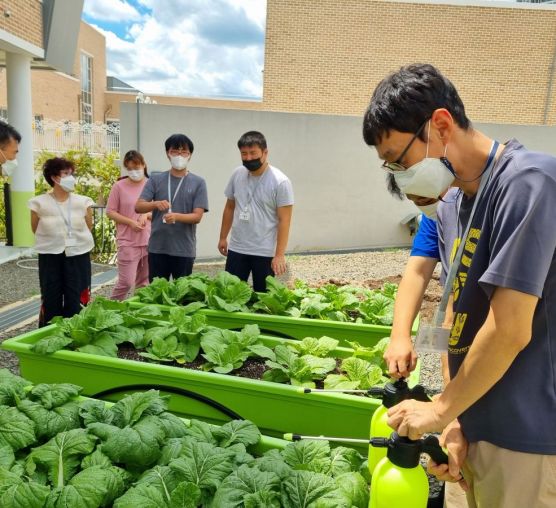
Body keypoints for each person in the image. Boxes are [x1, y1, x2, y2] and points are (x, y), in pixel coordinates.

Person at [363, 63, 556, 507]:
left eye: (399, 159)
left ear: (441, 125)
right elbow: (458, 311)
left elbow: (510, 329)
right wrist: (454, 417)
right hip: (475, 415)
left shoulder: (527, 185)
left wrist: (438, 410)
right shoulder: (459, 201)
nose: (399, 174)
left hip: (524, 435)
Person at [218, 131, 294, 292]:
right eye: (244, 154)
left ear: (265, 152)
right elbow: (229, 207)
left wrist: (279, 255)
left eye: (253, 153)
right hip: (237, 248)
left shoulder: (280, 182)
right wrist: (223, 237)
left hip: (265, 251)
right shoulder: (237, 174)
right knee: (230, 294)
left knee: (263, 297)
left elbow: (284, 220)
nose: (248, 158)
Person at [28, 157, 94, 327]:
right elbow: (35, 228)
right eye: (66, 173)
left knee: (77, 294)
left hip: (78, 254)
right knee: (51, 295)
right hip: (50, 255)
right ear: (54, 177)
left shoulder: (83, 202)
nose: (70, 177)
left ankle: (77, 332)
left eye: (71, 173)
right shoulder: (39, 203)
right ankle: (49, 332)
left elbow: (88, 226)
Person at [136, 134, 208, 281]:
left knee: (182, 297)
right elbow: (139, 206)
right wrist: (155, 204)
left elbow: (197, 216)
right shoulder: (156, 179)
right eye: (175, 151)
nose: (179, 155)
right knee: (157, 295)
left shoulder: (198, 182)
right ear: (168, 154)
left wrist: (176, 216)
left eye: (184, 152)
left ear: (190, 155)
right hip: (157, 248)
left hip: (184, 249)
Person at [106, 150, 151, 300]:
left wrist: (146, 214)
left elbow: (161, 210)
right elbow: (110, 212)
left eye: (136, 167)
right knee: (126, 282)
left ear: (144, 165)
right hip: (127, 241)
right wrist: (130, 222)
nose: (133, 172)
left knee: (144, 284)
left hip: (149, 240)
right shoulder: (119, 186)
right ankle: (110, 309)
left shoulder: (152, 184)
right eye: (129, 168)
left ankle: (139, 313)